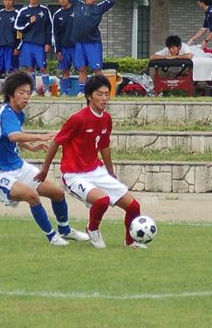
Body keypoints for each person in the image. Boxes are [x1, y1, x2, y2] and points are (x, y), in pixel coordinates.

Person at [38, 75, 146, 249]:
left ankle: (130, 241)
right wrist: (44, 170)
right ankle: (92, 229)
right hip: (74, 174)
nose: (104, 98)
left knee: (134, 206)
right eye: (99, 94)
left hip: (96, 171)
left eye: (107, 94)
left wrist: (110, 172)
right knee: (102, 201)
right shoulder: (79, 119)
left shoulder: (106, 118)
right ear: (89, 96)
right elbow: (57, 141)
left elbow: (104, 145)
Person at [0, 71, 88, 246]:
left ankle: (65, 230)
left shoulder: (19, 113)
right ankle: (52, 237)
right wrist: (40, 136)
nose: (26, 96)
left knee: (57, 193)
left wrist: (31, 147)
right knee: (32, 196)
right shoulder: (6, 112)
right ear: (11, 94)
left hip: (18, 166)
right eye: (21, 92)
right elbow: (13, 136)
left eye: (28, 92)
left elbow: (11, 137)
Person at [69, 0, 116, 92]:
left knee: (96, 68)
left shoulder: (99, 8)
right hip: (79, 42)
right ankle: (82, 92)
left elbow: (112, 1)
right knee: (81, 68)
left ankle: (103, 90)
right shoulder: (78, 4)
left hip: (93, 43)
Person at [15, 0, 52, 94]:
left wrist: (48, 42)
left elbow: (49, 27)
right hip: (27, 43)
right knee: (30, 68)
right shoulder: (23, 11)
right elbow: (17, 26)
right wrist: (29, 22)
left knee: (43, 67)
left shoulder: (45, 10)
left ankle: (47, 90)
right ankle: (32, 90)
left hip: (40, 44)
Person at [53, 0, 75, 95]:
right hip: (64, 47)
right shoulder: (57, 15)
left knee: (82, 69)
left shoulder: (77, 10)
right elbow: (55, 34)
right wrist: (58, 50)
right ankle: (64, 92)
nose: (62, 0)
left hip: (77, 46)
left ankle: (82, 92)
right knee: (65, 70)